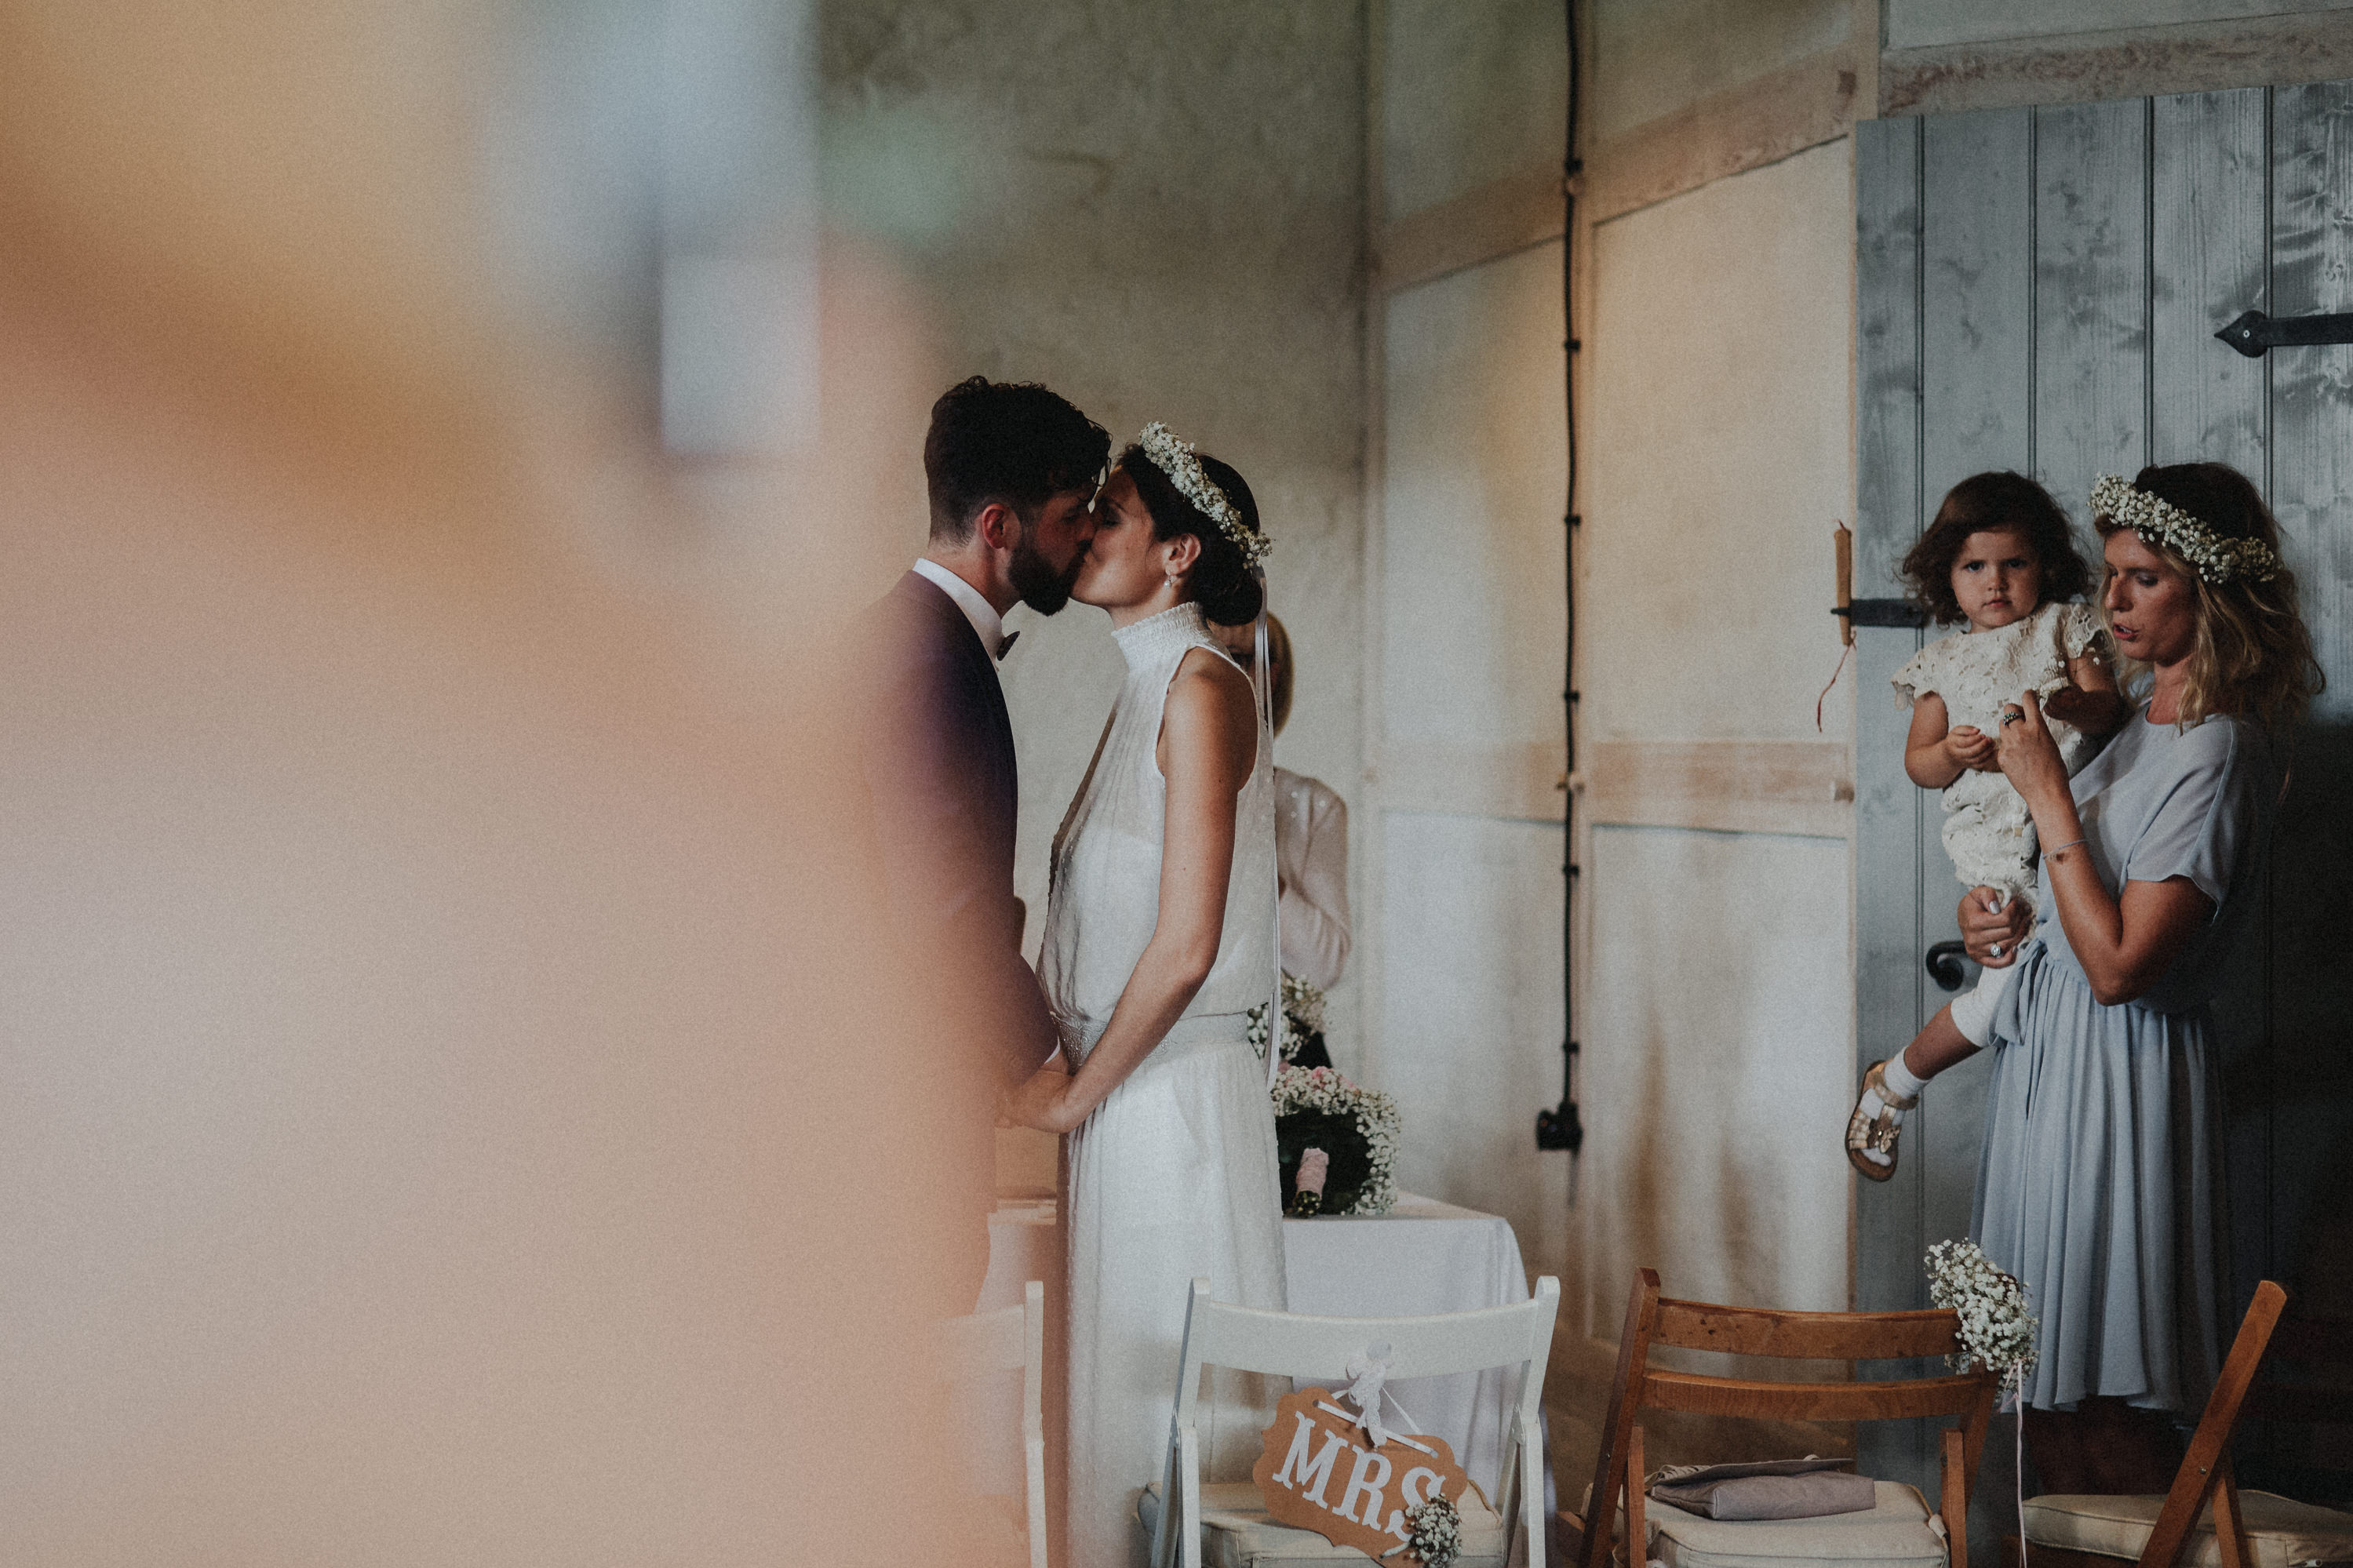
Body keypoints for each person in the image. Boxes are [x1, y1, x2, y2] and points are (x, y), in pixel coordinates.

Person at [1958, 464, 2322, 1490]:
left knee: (2106, 1396)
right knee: (2039, 1398)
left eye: (2144, 577)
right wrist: (1998, 919)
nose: (2110, 599)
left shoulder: (2217, 746)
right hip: (2049, 1060)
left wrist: (2043, 797)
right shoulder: (2130, 721)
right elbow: (2071, 905)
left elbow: (2119, 964)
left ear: (2207, 592)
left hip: (2121, 1071)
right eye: (2109, 572)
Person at [1000, 422, 1284, 1568]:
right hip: (1118, 1102)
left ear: (1177, 553)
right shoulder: (1137, 689)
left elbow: (1185, 943)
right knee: (1106, 1420)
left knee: (1163, 1418)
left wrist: (1072, 1100)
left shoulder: (1202, 689)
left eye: (1106, 514)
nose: (1081, 533)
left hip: (1170, 1110)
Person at [854, 376, 1109, 1302]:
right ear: (999, 526)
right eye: (1071, 513)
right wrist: (1038, 1062)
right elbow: (941, 902)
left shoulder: (927, 644)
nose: (1085, 534)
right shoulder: (922, 658)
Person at [1847, 472, 2123, 1179]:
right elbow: (1918, 763)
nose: (1994, 582)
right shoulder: (1939, 662)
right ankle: (1897, 1081)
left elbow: (2110, 710)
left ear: (2045, 565)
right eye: (1974, 566)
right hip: (1996, 843)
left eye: (2013, 564)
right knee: (2007, 984)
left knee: (2032, 986)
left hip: (2075, 829)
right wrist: (1949, 752)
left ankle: (1897, 1083)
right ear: (1948, 574)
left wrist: (2070, 705)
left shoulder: (2065, 626)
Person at [1211, 615, 1351, 1070]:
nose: (1229, 675)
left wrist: (1256, 858)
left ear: (1273, 679)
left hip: (1287, 1051)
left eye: (1243, 660)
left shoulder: (1316, 807)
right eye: (1217, 657)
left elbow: (1325, 965)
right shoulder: (1158, 794)